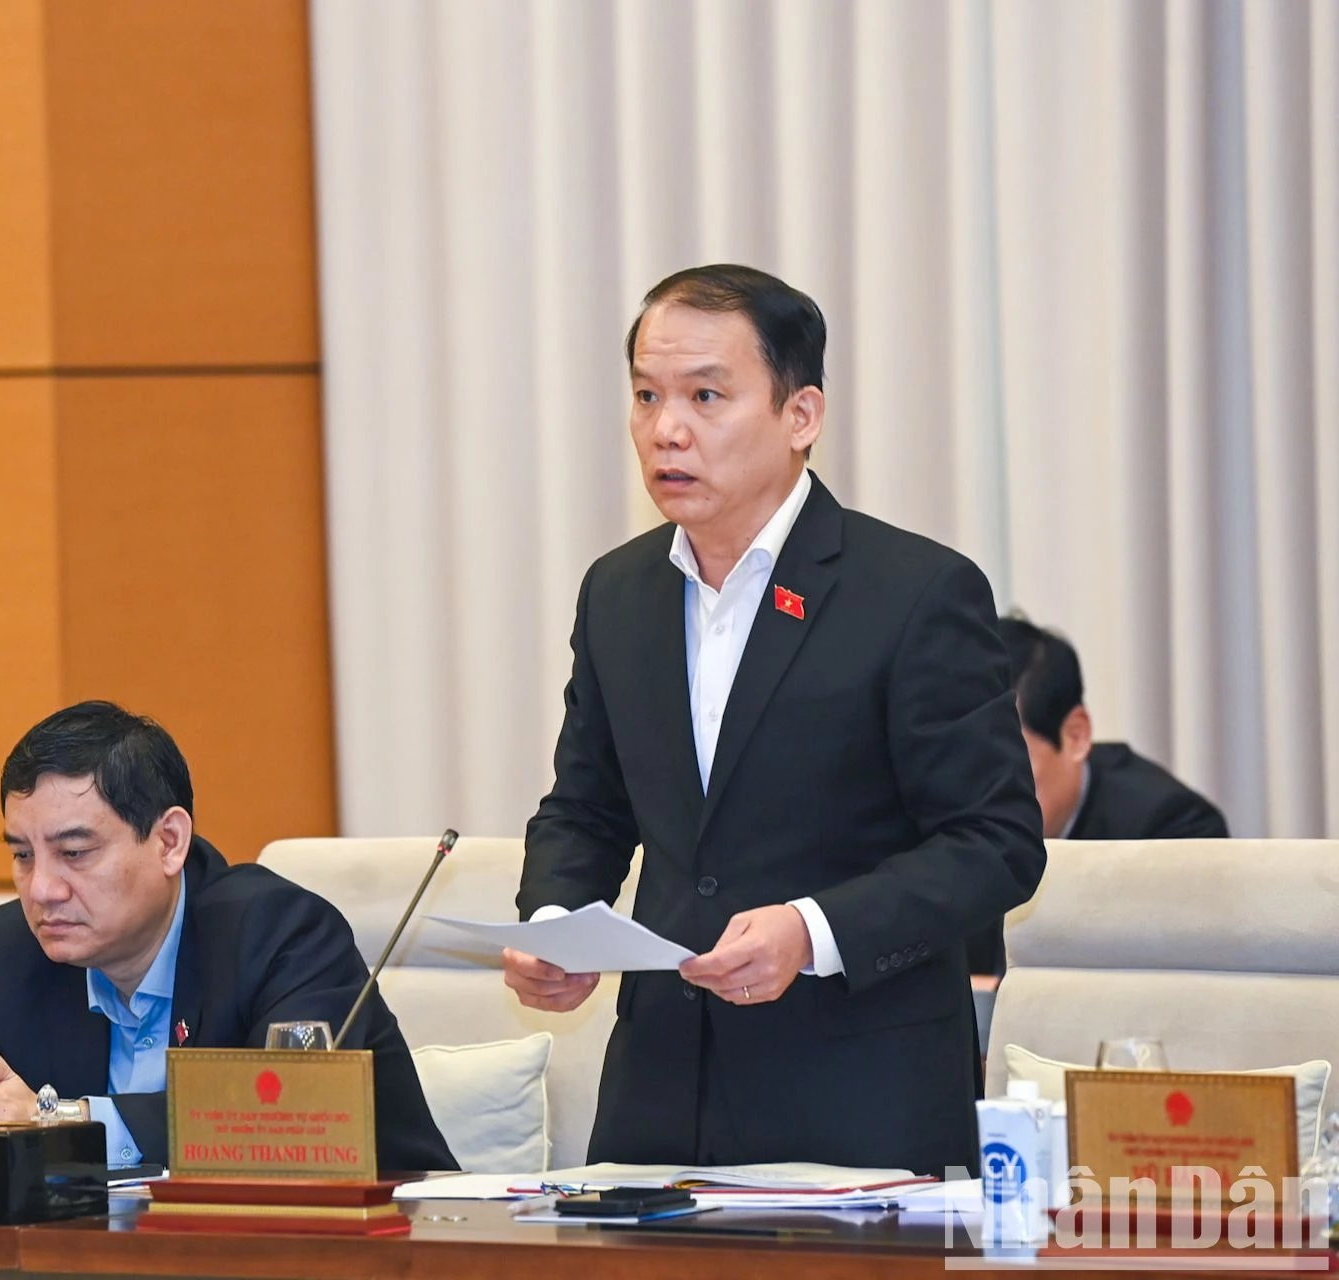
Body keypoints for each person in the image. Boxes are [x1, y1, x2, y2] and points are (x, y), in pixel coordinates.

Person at [502, 264, 1047, 1177]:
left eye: (705, 395)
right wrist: (558, 921)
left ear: (801, 417)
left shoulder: (913, 593)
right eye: (647, 395)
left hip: (858, 1104)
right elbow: (587, 808)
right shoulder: (619, 593)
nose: (666, 428)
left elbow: (995, 843)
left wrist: (811, 930)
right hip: (659, 1102)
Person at [0, 700, 455, 1172]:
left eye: (75, 853)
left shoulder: (278, 933)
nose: (41, 888)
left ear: (168, 841)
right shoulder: (12, 950)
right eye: (21, 854)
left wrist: (62, 1120)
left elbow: (281, 1121)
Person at [965, 615, 1229, 972]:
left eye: (1003, 763)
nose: (977, 789)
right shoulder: (946, 825)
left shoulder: (1173, 831)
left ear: (1075, 735)